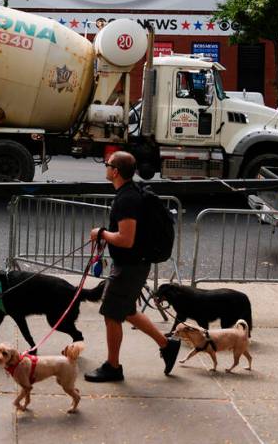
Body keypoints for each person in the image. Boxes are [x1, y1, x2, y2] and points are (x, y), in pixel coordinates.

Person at [84, 150, 181, 382]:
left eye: (107, 164)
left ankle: (113, 367)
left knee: (111, 313)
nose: (106, 167)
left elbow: (126, 239)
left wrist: (102, 234)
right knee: (126, 310)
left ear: (115, 171)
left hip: (130, 266)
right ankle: (167, 345)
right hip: (134, 264)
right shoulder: (131, 191)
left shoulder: (126, 199)